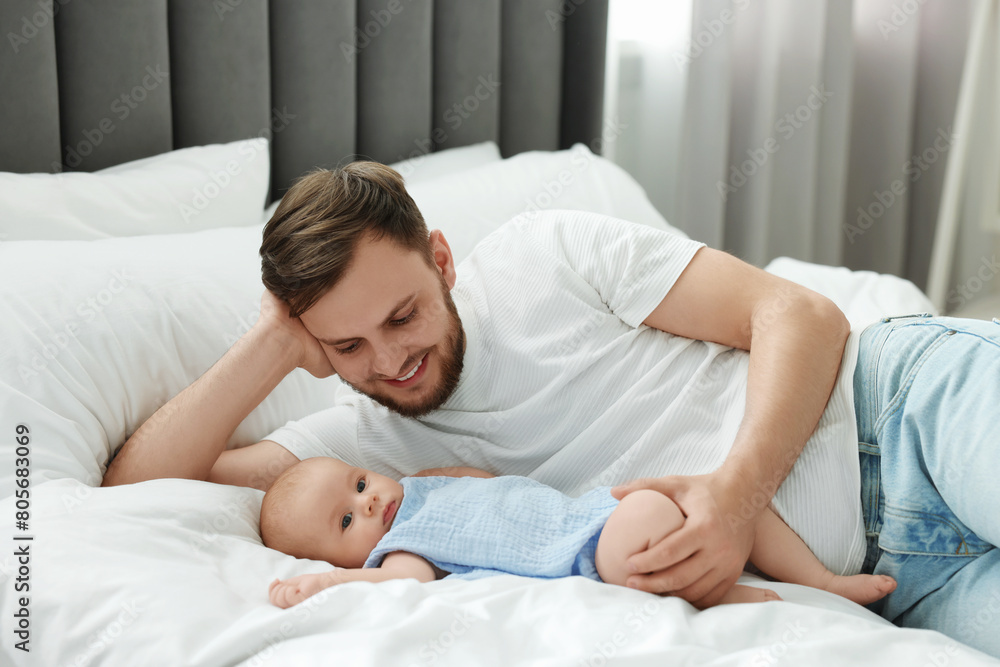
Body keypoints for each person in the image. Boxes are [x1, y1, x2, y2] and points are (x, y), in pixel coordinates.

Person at [101, 161, 1000, 657]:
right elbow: (135, 482)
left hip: (902, 407)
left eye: (403, 313)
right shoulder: (359, 455)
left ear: (443, 261)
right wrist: (273, 338)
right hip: (907, 586)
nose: (391, 360)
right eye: (347, 346)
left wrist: (732, 501)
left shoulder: (543, 254)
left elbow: (798, 314)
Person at [262, 458, 895, 610]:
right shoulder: (403, 549)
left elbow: (488, 481)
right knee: (648, 555)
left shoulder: (421, 484)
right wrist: (326, 581)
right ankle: (719, 592)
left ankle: (823, 580)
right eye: (346, 522)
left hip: (594, 511)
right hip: (583, 555)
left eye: (359, 482)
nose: (369, 503)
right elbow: (392, 584)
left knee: (726, 501)